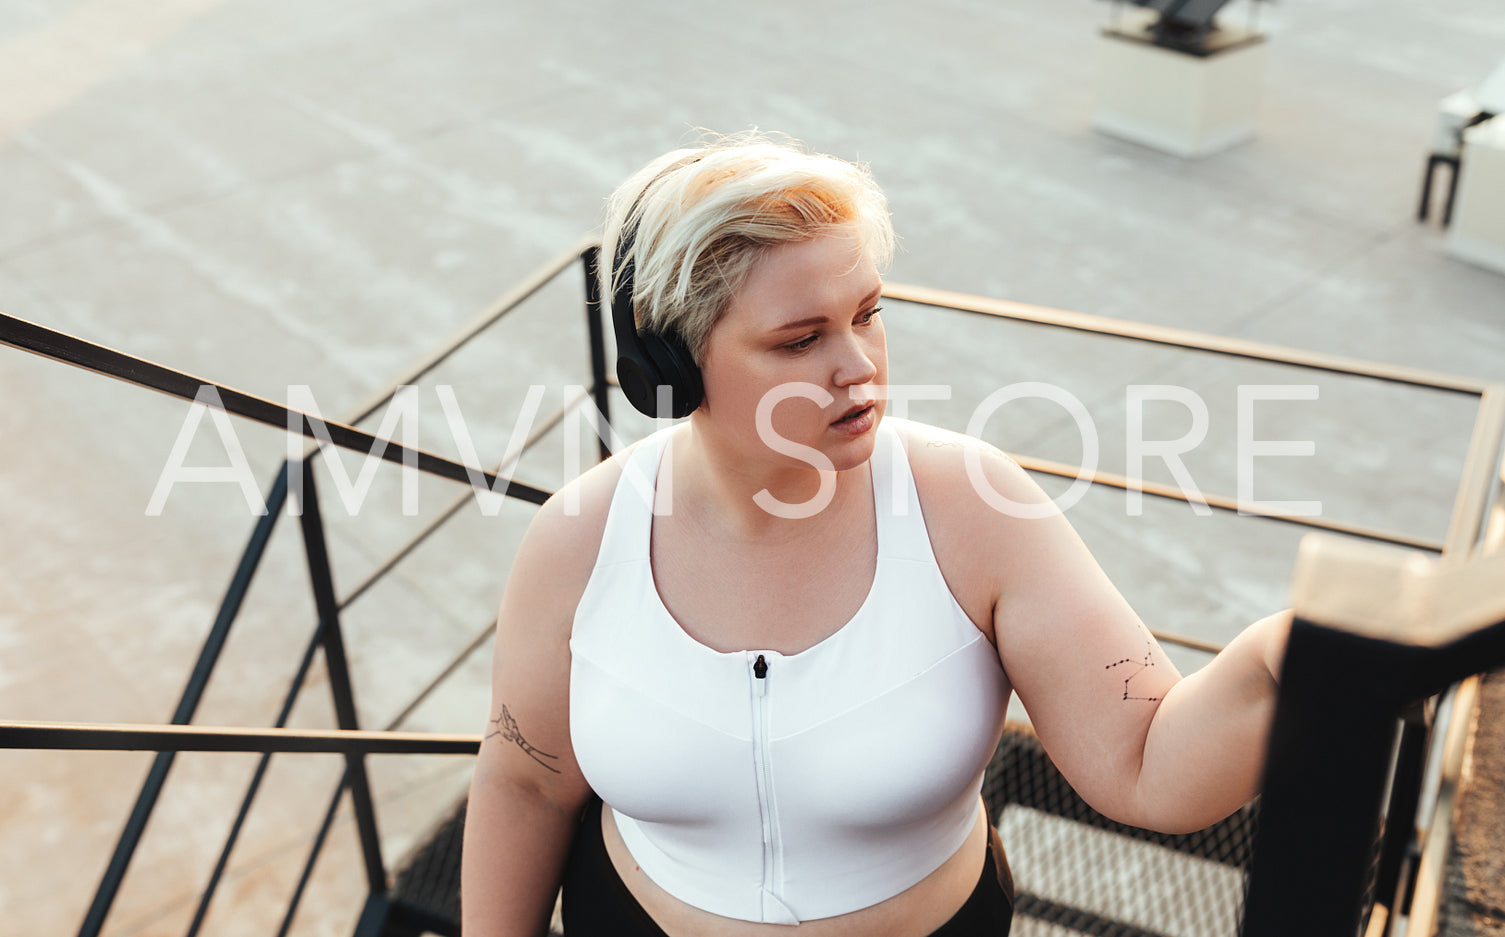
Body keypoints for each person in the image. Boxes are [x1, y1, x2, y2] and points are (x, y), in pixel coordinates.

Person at [460, 133, 1291, 937]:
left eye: (867, 313)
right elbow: (524, 782)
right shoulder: (578, 538)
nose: (858, 365)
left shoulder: (977, 509)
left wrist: (1274, 659)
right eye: (800, 339)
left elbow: (1146, 763)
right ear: (671, 367)